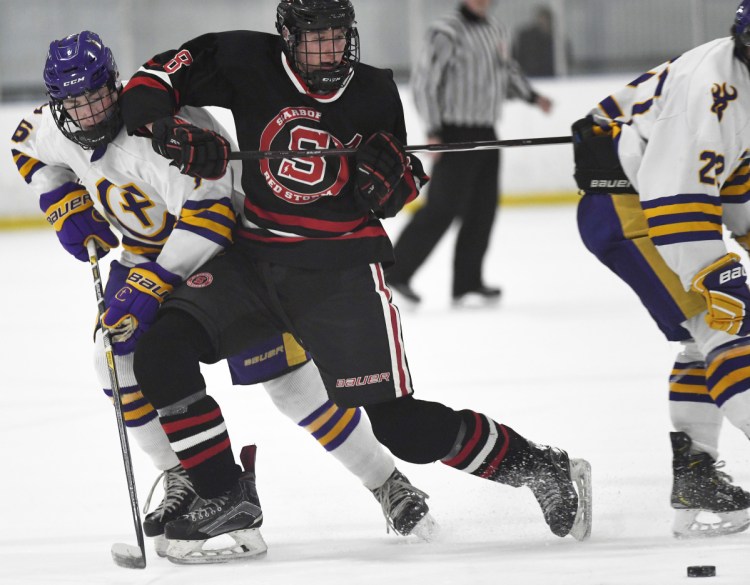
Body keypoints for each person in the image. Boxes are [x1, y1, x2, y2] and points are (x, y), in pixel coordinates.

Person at [118, 0, 592, 564]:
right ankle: (224, 496)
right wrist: (171, 130)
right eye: (315, 39)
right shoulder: (242, 57)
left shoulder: (372, 90)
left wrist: (394, 184)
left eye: (339, 37)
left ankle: (541, 467)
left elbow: (396, 183)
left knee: (403, 430)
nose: (330, 51)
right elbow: (149, 83)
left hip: (339, 278)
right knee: (158, 354)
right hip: (251, 261)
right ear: (286, 37)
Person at [12, 29, 436, 560]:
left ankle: (386, 482)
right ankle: (183, 479)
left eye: (97, 94)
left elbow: (210, 217)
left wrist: (150, 286)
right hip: (144, 253)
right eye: (74, 100)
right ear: (59, 101)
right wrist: (62, 203)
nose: (89, 109)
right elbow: (26, 148)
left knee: (290, 387)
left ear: (113, 84)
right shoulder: (52, 126)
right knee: (113, 360)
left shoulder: (162, 131)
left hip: (226, 254)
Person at [573, 0, 750, 538]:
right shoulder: (713, 93)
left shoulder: (736, 79)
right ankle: (695, 475)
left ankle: (696, 477)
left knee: (706, 338)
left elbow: (733, 179)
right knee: (728, 322)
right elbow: (677, 206)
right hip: (632, 207)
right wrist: (719, 274)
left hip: (643, 200)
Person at [386, 0, 552, 308]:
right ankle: (395, 275)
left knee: (482, 209)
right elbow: (425, 82)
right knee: (441, 208)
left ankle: (467, 282)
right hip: (454, 132)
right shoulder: (444, 31)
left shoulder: (495, 29)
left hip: (486, 131)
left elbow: (506, 72)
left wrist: (531, 96)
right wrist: (434, 129)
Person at [513, 6, 556, 77]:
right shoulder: (527, 37)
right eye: (541, 19)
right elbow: (517, 56)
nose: (542, 22)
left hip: (549, 76)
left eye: (545, 20)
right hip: (530, 74)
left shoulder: (555, 39)